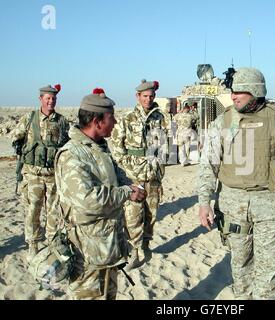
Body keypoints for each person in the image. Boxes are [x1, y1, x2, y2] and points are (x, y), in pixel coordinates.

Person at [197, 67, 275, 299]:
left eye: (240, 92)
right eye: (233, 91)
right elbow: (208, 164)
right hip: (233, 206)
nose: (233, 96)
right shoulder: (223, 122)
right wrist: (204, 202)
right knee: (240, 267)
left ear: (255, 91)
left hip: (271, 205)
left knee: (267, 270)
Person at [54, 88, 146, 300]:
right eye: (110, 117)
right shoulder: (72, 155)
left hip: (108, 248)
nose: (114, 122)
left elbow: (114, 174)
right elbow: (89, 201)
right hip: (88, 255)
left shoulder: (98, 148)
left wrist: (132, 185)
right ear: (97, 121)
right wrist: (126, 193)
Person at [111, 79, 166, 269]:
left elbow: (165, 145)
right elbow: (117, 149)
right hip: (134, 177)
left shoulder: (160, 118)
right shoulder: (127, 119)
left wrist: (160, 166)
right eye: (144, 96)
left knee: (151, 215)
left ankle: (146, 245)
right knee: (133, 216)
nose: (148, 99)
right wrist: (127, 170)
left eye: (151, 96)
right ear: (137, 96)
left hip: (153, 176)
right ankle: (133, 251)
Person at [12, 84, 70, 258]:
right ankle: (33, 244)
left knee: (54, 211)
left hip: (53, 176)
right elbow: (16, 137)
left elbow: (67, 145)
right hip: (33, 175)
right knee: (33, 211)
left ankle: (53, 242)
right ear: (41, 99)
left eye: (53, 98)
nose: (51, 101)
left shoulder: (62, 121)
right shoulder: (30, 119)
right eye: (48, 98)